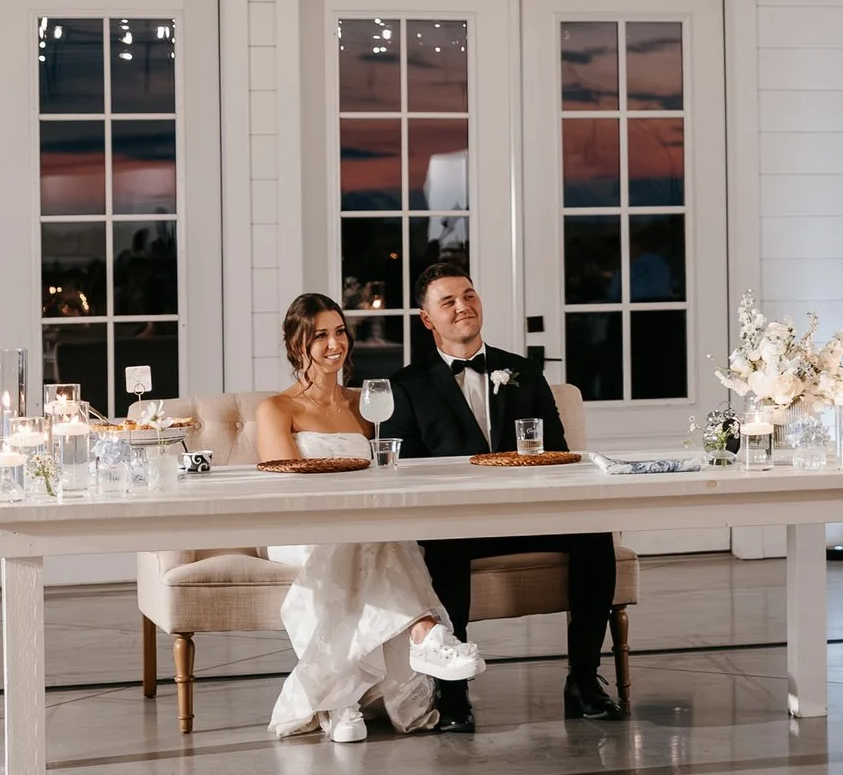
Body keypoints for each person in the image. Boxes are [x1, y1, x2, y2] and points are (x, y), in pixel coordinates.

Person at [388, 262, 625, 730]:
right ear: (427, 319)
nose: (464, 307)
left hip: (528, 515)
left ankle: (583, 680)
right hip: (457, 521)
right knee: (442, 549)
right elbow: (403, 470)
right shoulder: (408, 385)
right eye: (448, 301)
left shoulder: (520, 370)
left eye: (469, 295)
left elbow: (559, 451)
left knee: (595, 536)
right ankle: (452, 692)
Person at [257, 293, 483, 743]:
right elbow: (288, 484)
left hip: (362, 523)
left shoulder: (369, 403)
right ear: (295, 344)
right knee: (368, 536)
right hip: (301, 526)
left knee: (374, 533)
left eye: (339, 331)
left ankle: (344, 702)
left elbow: (388, 471)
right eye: (319, 335)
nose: (334, 344)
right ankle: (424, 634)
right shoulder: (276, 409)